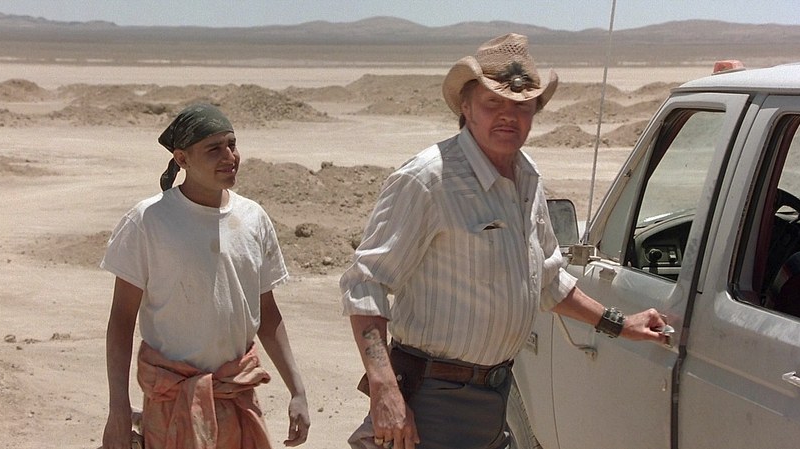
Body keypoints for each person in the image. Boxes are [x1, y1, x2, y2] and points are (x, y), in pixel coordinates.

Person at [340, 33, 669, 449]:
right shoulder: (428, 180)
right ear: (465, 106)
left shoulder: (527, 177)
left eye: (521, 106)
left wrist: (620, 323)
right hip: (431, 402)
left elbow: (547, 281)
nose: (508, 117)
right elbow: (365, 282)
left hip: (495, 397)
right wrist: (385, 390)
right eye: (492, 103)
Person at [100, 103, 310, 449]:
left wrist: (297, 391)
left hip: (237, 400)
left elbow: (267, 314)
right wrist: (118, 409)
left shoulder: (253, 218)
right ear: (182, 159)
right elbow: (121, 322)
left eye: (232, 144)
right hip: (172, 407)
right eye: (214, 149)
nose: (229, 157)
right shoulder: (149, 221)